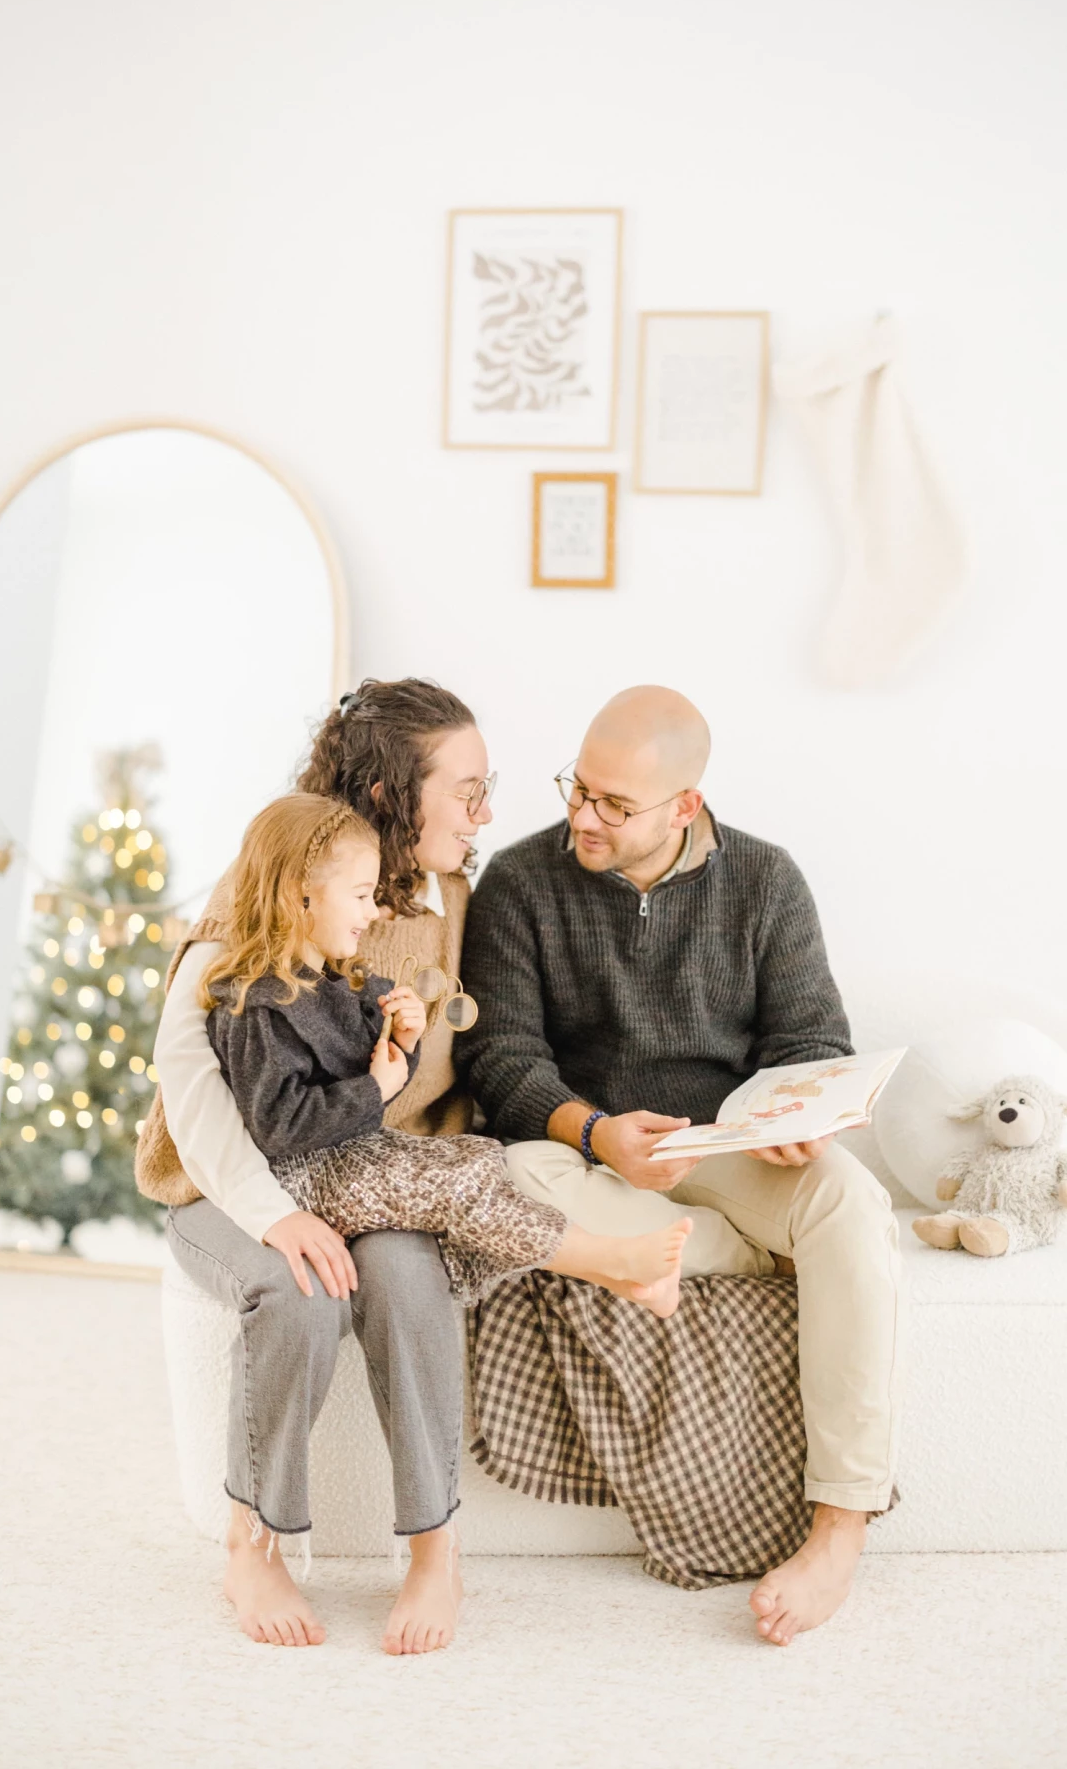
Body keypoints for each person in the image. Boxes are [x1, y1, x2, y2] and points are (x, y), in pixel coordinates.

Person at [457, 685, 903, 1649]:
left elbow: (812, 1039)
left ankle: (840, 1528)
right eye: (580, 789)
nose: (584, 816)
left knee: (853, 1208)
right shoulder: (520, 883)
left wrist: (794, 1115)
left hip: (728, 1151)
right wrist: (595, 1130)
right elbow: (503, 1060)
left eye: (615, 805)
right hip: (588, 1156)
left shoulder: (767, 882)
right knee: (502, 1186)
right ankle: (752, 1254)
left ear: (684, 807)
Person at [139, 679, 495, 1656]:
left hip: (367, 1178)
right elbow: (192, 1087)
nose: (485, 812)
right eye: (466, 790)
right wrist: (274, 1215)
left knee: (407, 1280)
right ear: (389, 797)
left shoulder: (453, 902)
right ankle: (250, 1541)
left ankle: (435, 1552)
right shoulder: (262, 891)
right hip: (237, 1184)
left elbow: (471, 1066)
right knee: (297, 1292)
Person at [201, 789, 692, 1312]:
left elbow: (362, 1079)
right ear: (302, 895)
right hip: (299, 1179)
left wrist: (401, 1044)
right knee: (452, 1187)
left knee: (478, 1161)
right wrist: (378, 1087)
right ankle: (613, 1261)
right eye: (362, 895)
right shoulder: (256, 1006)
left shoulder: (334, 977)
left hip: (346, 1158)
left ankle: (616, 1273)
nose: (372, 914)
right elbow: (281, 1128)